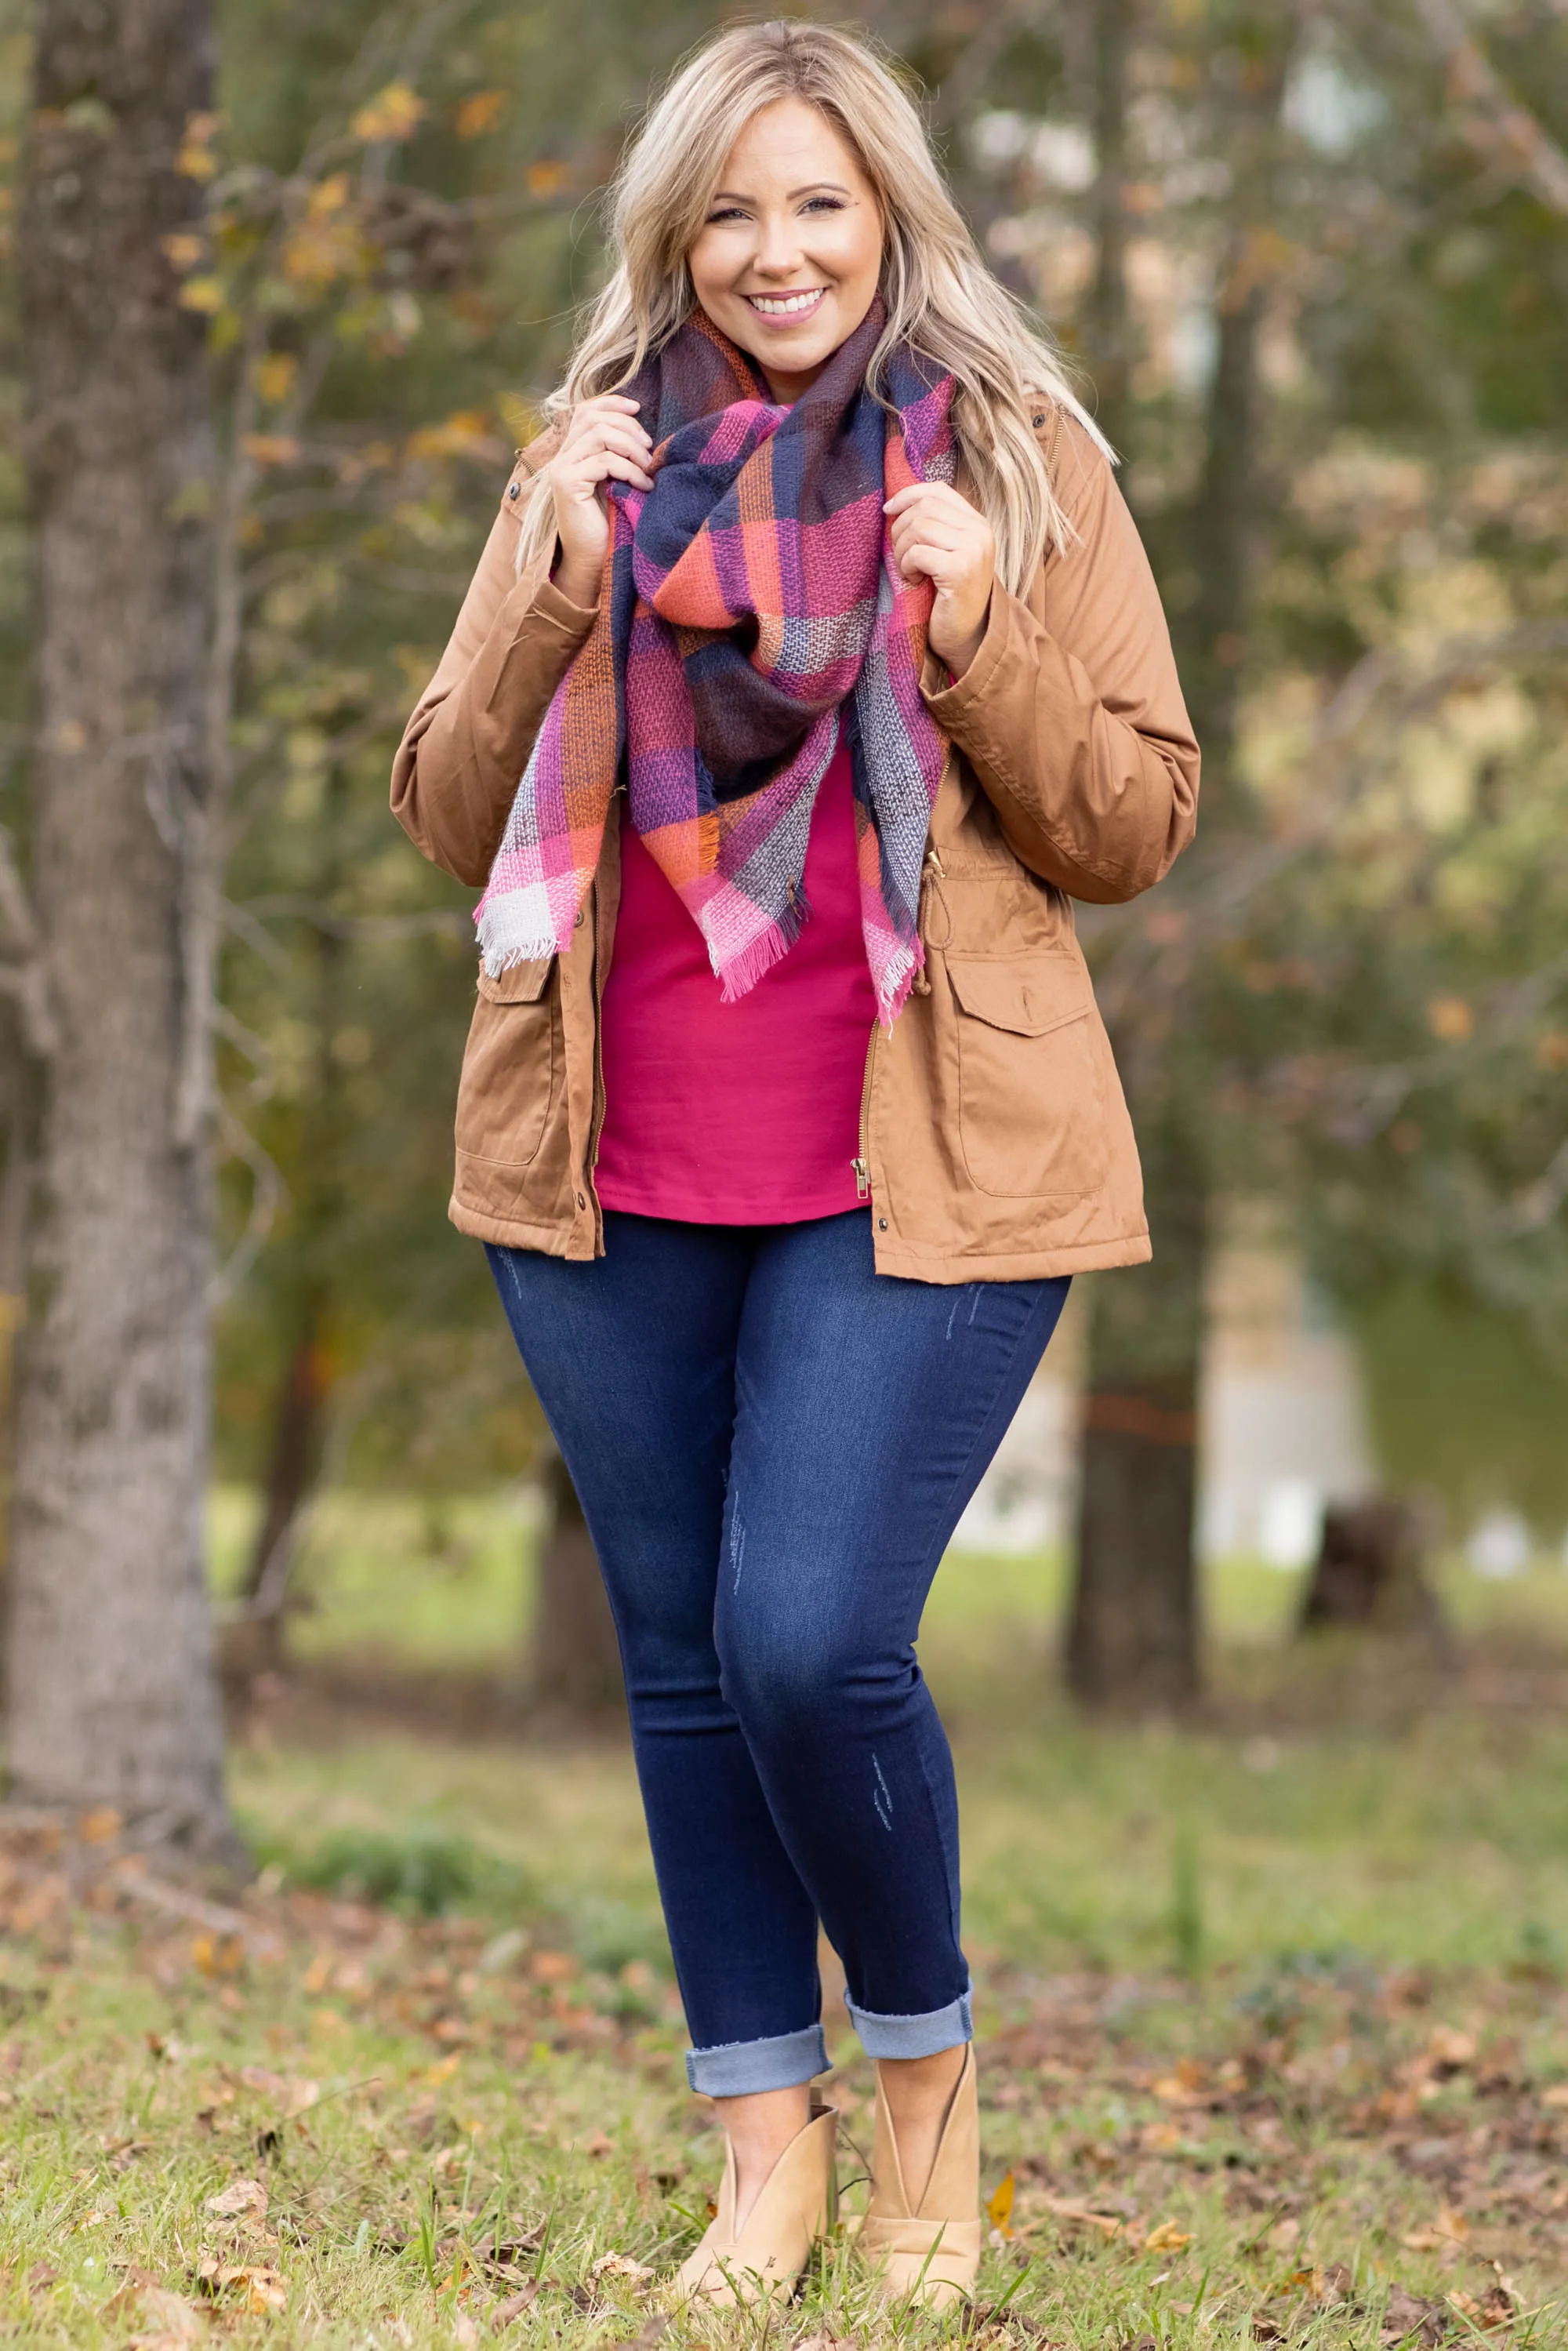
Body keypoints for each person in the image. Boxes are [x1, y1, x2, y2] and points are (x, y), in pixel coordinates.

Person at [391, 17, 1198, 2315]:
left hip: (921, 1147)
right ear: (676, 231)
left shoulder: (1018, 457)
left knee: (812, 1637)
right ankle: (766, 2147)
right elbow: (449, 809)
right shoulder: (594, 465)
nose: (775, 251)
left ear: (892, 218)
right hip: (607, 1151)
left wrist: (976, 623)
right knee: (679, 1659)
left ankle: (924, 2074)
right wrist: (555, 577)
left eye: (818, 205)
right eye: (730, 210)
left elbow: (1136, 817)